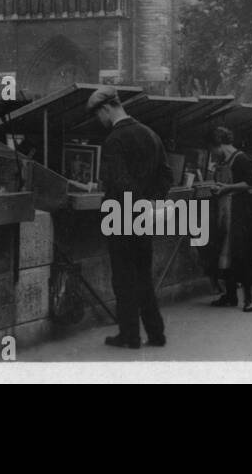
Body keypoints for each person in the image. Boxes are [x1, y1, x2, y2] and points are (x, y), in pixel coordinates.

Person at [88, 85, 171, 349]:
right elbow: (166, 176)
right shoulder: (150, 134)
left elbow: (120, 182)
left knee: (123, 278)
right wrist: (148, 201)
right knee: (144, 277)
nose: (98, 122)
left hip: (120, 216)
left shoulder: (114, 140)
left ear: (105, 109)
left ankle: (130, 335)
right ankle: (156, 334)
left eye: (97, 116)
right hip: (144, 216)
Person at [203, 127, 252, 312]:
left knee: (242, 256)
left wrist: (227, 188)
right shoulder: (223, 161)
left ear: (219, 145)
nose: (212, 155)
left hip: (239, 215)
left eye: (212, 150)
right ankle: (230, 296)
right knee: (224, 255)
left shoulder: (241, 159)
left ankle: (249, 298)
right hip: (224, 213)